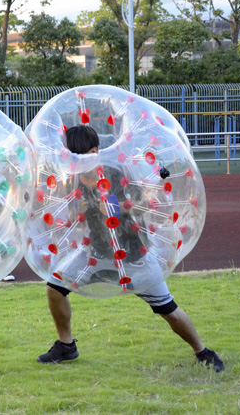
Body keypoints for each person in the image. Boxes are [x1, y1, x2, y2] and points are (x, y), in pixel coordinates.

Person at [37, 125, 224, 373]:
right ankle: (66, 345)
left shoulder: (115, 173)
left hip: (133, 256)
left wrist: (116, 209)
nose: (74, 163)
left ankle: (202, 350)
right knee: (54, 288)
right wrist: (77, 211)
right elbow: (74, 215)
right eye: (70, 157)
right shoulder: (74, 178)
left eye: (78, 157)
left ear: (94, 151)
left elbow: (142, 203)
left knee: (168, 310)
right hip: (94, 254)